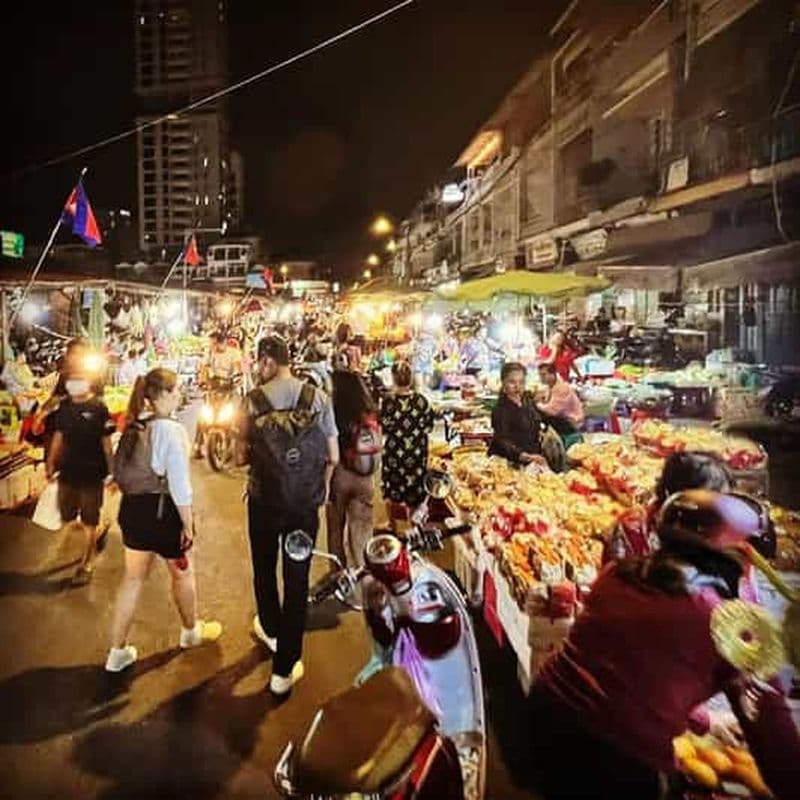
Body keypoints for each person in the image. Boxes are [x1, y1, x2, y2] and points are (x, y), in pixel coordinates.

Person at [527, 489, 800, 800]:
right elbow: (775, 741)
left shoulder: (619, 574)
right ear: (742, 559)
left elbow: (636, 677)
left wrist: (704, 720)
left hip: (547, 718)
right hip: (614, 758)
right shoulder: (729, 622)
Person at [105, 369, 222, 673]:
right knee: (182, 573)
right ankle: (190, 631)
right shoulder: (170, 431)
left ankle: (116, 652)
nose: (180, 395)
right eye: (177, 391)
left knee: (132, 581)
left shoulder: (133, 427)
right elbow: (180, 486)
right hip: (162, 513)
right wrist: (188, 524)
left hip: (132, 513)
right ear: (164, 395)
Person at [242, 335, 339, 696]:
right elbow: (334, 456)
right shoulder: (318, 399)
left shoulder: (252, 402)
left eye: (259, 362)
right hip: (303, 507)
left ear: (267, 361)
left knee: (265, 569)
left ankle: (269, 626)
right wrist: (321, 488)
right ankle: (284, 670)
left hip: (263, 503)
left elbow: (238, 456)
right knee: (297, 580)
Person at [45, 355, 116, 584]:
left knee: (88, 520)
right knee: (67, 514)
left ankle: (87, 562)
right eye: (71, 379)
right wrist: (50, 463)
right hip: (68, 471)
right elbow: (59, 436)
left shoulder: (99, 408)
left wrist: (112, 471)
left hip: (92, 474)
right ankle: (98, 529)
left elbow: (107, 444)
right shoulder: (65, 408)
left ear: (88, 382)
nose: (74, 383)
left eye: (80, 379)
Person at [327, 369, 379, 568]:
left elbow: (330, 451)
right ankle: (365, 574)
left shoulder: (334, 411)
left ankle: (339, 575)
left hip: (340, 476)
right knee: (363, 531)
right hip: (365, 478)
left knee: (335, 529)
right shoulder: (369, 411)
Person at [380, 360, 434, 510]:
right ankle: (413, 524)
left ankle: (394, 524)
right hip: (416, 454)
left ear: (393, 378)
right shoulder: (422, 401)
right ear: (411, 379)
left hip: (395, 454)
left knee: (394, 490)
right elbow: (429, 426)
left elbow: (384, 427)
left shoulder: (388, 402)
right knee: (415, 490)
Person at [488, 362, 545, 466]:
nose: (517, 386)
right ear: (503, 382)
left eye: (521, 382)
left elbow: (536, 421)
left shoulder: (527, 400)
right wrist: (526, 456)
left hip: (533, 457)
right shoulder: (500, 409)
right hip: (509, 461)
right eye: (512, 382)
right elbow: (502, 441)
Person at [535, 362, 585, 437]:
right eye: (540, 375)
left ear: (553, 374)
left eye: (543, 375)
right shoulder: (550, 386)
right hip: (563, 417)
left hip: (571, 421)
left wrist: (537, 405)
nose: (541, 378)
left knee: (538, 413)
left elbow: (552, 411)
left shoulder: (561, 388)